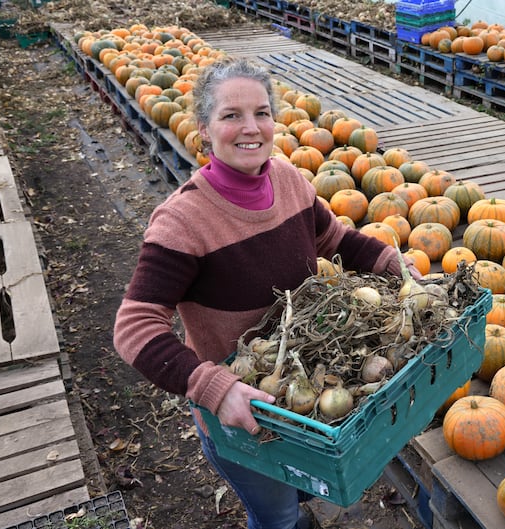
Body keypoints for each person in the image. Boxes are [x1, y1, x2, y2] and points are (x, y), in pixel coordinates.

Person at [113, 56, 420, 529]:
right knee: (275, 516)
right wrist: (215, 389)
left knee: (301, 488)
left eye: (261, 112)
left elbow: (334, 239)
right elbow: (134, 327)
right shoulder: (182, 221)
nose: (250, 127)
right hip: (245, 418)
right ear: (203, 129)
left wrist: (397, 267)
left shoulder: (289, 179)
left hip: (304, 389)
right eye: (231, 115)